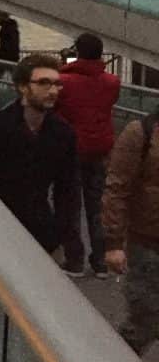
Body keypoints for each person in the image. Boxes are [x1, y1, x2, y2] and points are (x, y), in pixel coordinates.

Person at [0, 54, 79, 256]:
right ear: (23, 87)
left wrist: (61, 235)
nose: (53, 91)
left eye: (57, 84)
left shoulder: (63, 133)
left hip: (41, 233)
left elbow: (67, 190)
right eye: (44, 83)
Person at [55, 33, 121, 279]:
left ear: (78, 52)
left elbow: (57, 107)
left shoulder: (64, 82)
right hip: (100, 149)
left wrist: (65, 64)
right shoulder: (112, 82)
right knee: (97, 206)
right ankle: (101, 261)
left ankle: (75, 260)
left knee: (70, 205)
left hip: (71, 151)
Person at [102, 107, 159, 356]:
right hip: (146, 243)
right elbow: (117, 188)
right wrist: (113, 242)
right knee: (146, 317)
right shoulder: (140, 133)